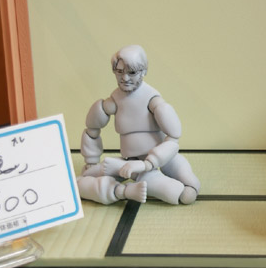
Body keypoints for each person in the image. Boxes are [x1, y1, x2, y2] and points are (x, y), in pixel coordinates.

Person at [77, 45, 200, 205]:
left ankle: (130, 187)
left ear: (143, 71)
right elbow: (92, 130)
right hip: (129, 162)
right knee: (83, 179)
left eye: (132, 72)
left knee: (187, 190)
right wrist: (91, 161)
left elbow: (173, 137)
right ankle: (123, 190)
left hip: (163, 158)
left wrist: (148, 163)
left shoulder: (154, 101)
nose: (125, 78)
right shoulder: (114, 101)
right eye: (119, 72)